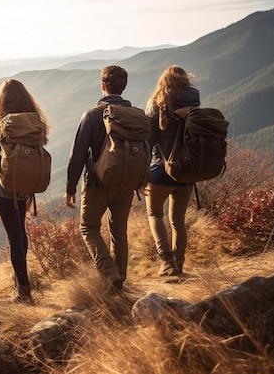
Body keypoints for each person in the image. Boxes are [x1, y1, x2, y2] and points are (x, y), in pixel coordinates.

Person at [0, 79, 50, 304]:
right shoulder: (35, 122)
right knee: (20, 231)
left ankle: (23, 288)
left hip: (3, 187)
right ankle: (22, 280)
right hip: (27, 184)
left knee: (14, 235)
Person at [65, 65, 134, 293]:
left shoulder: (93, 115)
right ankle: (119, 281)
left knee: (89, 228)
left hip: (97, 184)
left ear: (103, 85)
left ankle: (110, 273)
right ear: (123, 87)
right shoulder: (135, 115)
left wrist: (71, 186)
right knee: (119, 232)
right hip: (126, 183)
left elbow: (78, 154)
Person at [144, 65, 200, 276]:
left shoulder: (156, 104)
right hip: (186, 173)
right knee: (178, 222)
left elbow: (149, 142)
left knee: (155, 214)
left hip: (160, 171)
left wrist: (141, 174)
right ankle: (179, 262)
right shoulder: (195, 104)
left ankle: (167, 262)